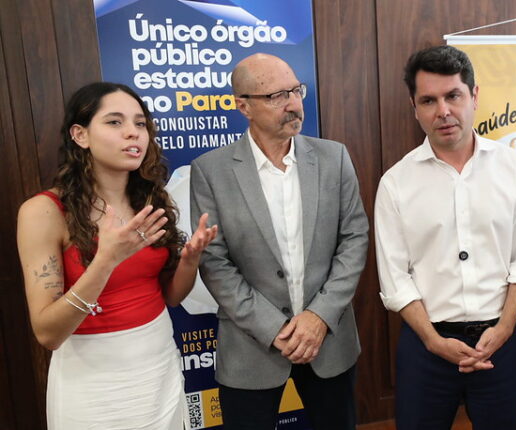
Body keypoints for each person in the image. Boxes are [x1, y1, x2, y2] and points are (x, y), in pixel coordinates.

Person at [16, 82, 218, 429]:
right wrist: (106, 260)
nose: (132, 133)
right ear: (80, 135)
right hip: (92, 384)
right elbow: (48, 333)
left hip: (159, 366)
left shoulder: (152, 201)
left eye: (140, 123)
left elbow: (171, 296)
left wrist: (190, 259)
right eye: (114, 122)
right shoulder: (44, 212)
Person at [189, 53, 369, 430]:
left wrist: (319, 317)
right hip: (250, 348)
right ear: (243, 106)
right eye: (276, 96)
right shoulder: (211, 171)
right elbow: (214, 262)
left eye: (295, 91)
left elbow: (354, 239)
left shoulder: (333, 157)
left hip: (328, 343)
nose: (293, 104)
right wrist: (275, 328)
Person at [375, 45, 516, 429]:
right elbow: (395, 278)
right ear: (414, 107)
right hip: (426, 348)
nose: (443, 111)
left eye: (453, 96)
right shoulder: (396, 183)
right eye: (429, 101)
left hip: (501, 342)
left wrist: (503, 329)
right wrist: (433, 341)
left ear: (474, 96)